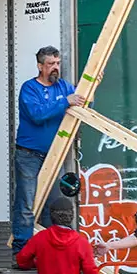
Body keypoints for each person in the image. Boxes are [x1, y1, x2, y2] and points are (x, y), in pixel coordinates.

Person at [12, 46, 84, 255]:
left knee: (54, 206)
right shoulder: (29, 88)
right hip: (28, 155)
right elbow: (37, 114)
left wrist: (92, 86)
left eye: (57, 63)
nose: (55, 68)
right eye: (51, 64)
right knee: (26, 204)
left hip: (54, 155)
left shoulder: (64, 87)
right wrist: (64, 102)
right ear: (40, 66)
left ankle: (51, 254)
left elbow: (83, 104)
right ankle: (21, 253)